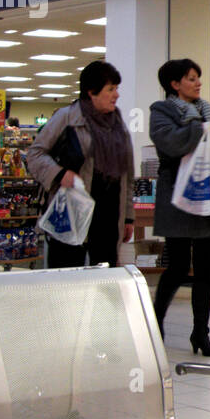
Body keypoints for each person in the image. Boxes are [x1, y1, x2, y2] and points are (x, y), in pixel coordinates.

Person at [150, 58, 210, 357]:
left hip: (207, 197)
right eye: (191, 78)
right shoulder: (161, 111)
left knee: (205, 269)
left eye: (198, 77)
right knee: (176, 266)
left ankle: (201, 333)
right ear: (175, 84)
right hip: (178, 196)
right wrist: (206, 128)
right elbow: (172, 144)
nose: (198, 82)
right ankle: (154, 324)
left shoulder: (206, 110)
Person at [26, 60, 135, 269]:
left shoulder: (119, 125)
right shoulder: (67, 118)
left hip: (109, 214)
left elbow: (127, 175)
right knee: (67, 273)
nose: (116, 94)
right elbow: (35, 154)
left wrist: (128, 217)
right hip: (71, 209)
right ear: (92, 92)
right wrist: (59, 174)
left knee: (105, 275)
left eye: (117, 89)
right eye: (110, 89)